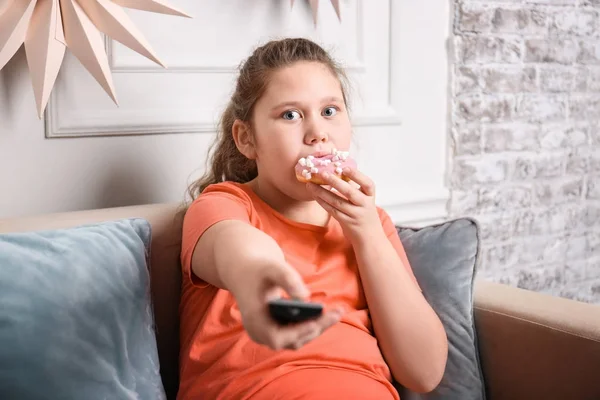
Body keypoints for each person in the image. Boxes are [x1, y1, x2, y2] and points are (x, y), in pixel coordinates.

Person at [178, 38, 448, 400]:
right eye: (290, 115)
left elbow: (425, 371)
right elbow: (239, 252)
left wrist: (367, 236)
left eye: (330, 111)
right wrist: (258, 283)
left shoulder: (373, 224)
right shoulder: (224, 205)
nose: (317, 132)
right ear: (246, 139)